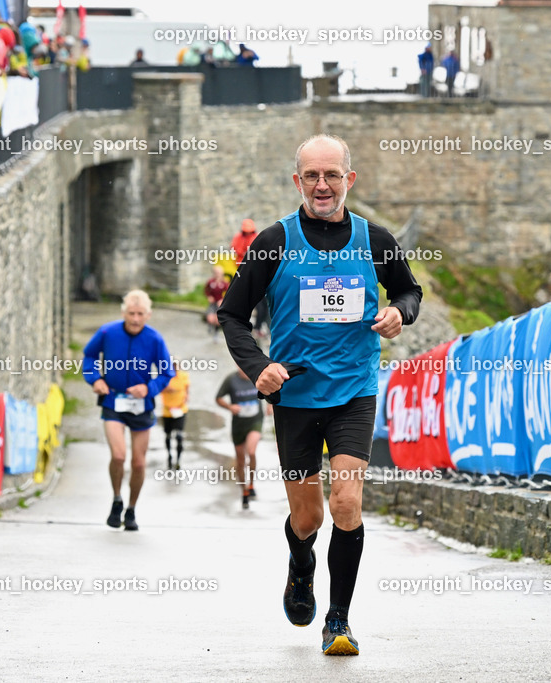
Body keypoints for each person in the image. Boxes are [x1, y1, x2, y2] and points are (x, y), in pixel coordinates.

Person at [218, 134, 422, 655]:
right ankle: (300, 564)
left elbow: (409, 290)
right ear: (298, 181)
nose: (322, 185)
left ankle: (338, 621)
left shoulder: (375, 240)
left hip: (354, 390)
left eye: (332, 175)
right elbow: (232, 315)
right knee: (308, 518)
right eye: (312, 175)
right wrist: (259, 367)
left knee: (347, 504)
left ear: (349, 179)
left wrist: (399, 312)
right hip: (295, 395)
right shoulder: (274, 241)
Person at [83, 290, 174, 532]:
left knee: (139, 463)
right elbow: (89, 356)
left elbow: (167, 373)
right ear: (123, 312)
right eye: (131, 313)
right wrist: (95, 379)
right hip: (113, 401)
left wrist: (148, 388)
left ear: (148, 315)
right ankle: (116, 499)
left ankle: (131, 509)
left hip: (141, 406)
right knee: (119, 456)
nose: (135, 319)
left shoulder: (154, 339)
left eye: (140, 314)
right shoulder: (107, 332)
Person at [216, 367, 267, 509]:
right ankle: (244, 490)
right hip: (238, 424)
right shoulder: (231, 379)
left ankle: (251, 484)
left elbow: (271, 389)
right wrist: (230, 407)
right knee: (240, 460)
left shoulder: (257, 375)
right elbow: (218, 398)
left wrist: (270, 405)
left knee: (251, 452)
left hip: (255, 421)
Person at [160, 358, 189, 470]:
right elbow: (157, 388)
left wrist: (186, 396)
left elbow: (187, 387)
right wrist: (166, 389)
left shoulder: (183, 375)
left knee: (179, 435)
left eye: (176, 365)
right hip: (167, 411)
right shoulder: (165, 377)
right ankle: (169, 455)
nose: (175, 367)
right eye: (172, 365)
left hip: (180, 410)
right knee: (168, 435)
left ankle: (178, 460)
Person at [204, 264, 229, 333]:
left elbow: (229, 293)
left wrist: (223, 300)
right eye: (216, 273)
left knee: (217, 319)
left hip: (219, 304)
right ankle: (210, 326)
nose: (217, 275)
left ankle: (216, 330)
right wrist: (209, 296)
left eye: (219, 273)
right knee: (210, 318)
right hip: (212, 303)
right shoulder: (210, 282)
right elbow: (206, 290)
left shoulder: (224, 283)